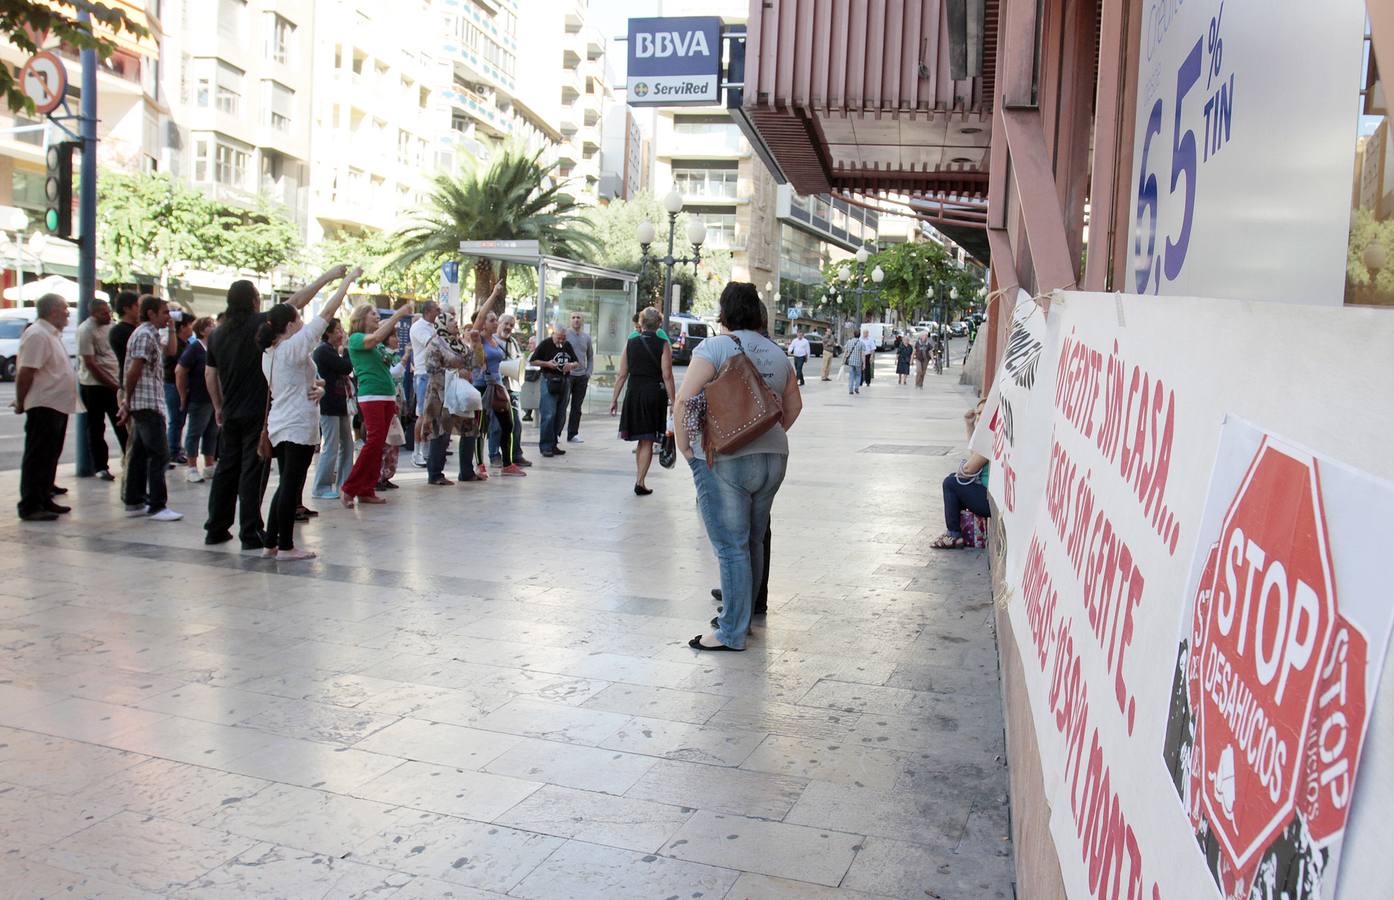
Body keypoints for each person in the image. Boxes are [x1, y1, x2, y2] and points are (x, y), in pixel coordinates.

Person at [674, 282, 803, 651]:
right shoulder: (779, 354)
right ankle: (743, 620)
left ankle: (731, 631)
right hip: (774, 456)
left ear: (724, 311)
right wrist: (765, 434)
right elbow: (793, 408)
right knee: (753, 540)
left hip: (726, 457)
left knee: (731, 546)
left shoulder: (714, 347)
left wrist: (685, 447)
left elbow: (684, 400)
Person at [206, 268, 347, 548]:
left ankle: (216, 527)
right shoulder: (263, 326)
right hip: (262, 410)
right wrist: (328, 277)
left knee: (226, 469)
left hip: (232, 410)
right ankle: (250, 531)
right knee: (253, 471)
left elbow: (210, 374)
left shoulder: (217, 334)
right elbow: (295, 303)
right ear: (255, 301)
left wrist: (218, 406)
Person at [258, 267, 359, 559]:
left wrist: (320, 386)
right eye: (298, 318)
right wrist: (347, 282)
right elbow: (327, 313)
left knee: (286, 483)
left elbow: (298, 382)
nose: (302, 320)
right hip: (297, 424)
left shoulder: (271, 352)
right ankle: (286, 545)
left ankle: (271, 544)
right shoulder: (293, 346)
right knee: (291, 484)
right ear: (289, 326)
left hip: (280, 422)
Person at [340, 297, 413, 506]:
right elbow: (377, 336)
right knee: (374, 442)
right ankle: (350, 487)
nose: (377, 317)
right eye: (373, 313)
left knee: (379, 444)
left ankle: (366, 489)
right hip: (371, 396)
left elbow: (380, 335)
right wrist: (398, 314)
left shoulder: (375, 341)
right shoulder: (356, 339)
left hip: (386, 395)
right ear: (361, 318)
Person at [118, 295, 182, 522]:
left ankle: (134, 500)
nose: (168, 316)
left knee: (140, 453)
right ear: (151, 313)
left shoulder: (151, 334)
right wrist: (127, 399)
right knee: (159, 454)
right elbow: (134, 371)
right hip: (146, 403)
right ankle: (157, 504)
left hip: (147, 401)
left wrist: (172, 328)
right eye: (164, 312)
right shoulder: (144, 335)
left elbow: (171, 352)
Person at [14, 294, 76, 521]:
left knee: (50, 454)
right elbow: (26, 371)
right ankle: (30, 505)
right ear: (53, 311)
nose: (68, 312)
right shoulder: (37, 334)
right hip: (43, 404)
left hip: (56, 404)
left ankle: (43, 498)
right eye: (65, 308)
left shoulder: (51, 334)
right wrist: (21, 401)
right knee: (38, 456)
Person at [612, 306, 675, 495]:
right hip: (654, 394)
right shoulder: (663, 344)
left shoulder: (630, 344)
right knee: (647, 440)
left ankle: (639, 479)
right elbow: (668, 375)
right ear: (659, 324)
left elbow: (622, 374)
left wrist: (614, 399)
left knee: (641, 440)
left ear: (640, 323)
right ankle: (640, 481)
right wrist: (674, 400)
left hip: (634, 394)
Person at [464, 288, 524, 477]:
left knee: (508, 425)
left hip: (497, 386)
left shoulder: (494, 341)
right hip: (482, 386)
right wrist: (494, 294)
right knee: (481, 428)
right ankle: (480, 464)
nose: (495, 322)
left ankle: (507, 463)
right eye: (492, 320)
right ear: (482, 323)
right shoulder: (477, 338)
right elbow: (480, 315)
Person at [421, 314, 479, 485]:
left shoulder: (460, 344)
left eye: (455, 319)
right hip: (440, 394)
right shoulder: (435, 343)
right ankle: (435, 474)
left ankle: (467, 472)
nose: (456, 322)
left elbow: (473, 364)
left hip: (460, 393)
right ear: (442, 324)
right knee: (441, 432)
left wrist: (475, 345)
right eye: (451, 320)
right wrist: (455, 373)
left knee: (469, 430)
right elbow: (431, 369)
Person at [75, 297, 125, 481]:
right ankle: (100, 466)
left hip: (114, 381)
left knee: (121, 422)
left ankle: (127, 459)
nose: (108, 315)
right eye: (103, 313)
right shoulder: (86, 330)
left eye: (108, 311)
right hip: (94, 385)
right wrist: (111, 384)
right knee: (96, 427)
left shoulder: (111, 326)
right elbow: (90, 363)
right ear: (93, 313)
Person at [311, 318, 355, 499]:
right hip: (329, 405)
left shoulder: (331, 351)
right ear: (327, 332)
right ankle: (320, 487)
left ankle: (344, 484)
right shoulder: (323, 351)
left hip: (339, 403)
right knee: (331, 446)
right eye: (337, 330)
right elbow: (345, 367)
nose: (341, 333)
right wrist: (346, 349)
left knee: (348, 444)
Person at [176, 317, 219, 483]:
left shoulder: (214, 348)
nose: (214, 327)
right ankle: (191, 466)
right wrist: (182, 394)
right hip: (199, 397)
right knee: (195, 432)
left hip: (212, 398)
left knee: (211, 432)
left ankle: (209, 464)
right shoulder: (195, 348)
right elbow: (180, 371)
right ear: (202, 330)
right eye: (210, 325)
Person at [488, 313, 530, 468]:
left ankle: (516, 454)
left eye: (511, 325)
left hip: (513, 387)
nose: (508, 327)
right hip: (499, 387)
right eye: (506, 323)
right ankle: (494, 455)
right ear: (499, 323)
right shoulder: (491, 341)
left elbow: (519, 361)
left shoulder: (512, 342)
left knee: (517, 423)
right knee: (496, 425)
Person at [530, 322, 578, 459]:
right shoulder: (546, 344)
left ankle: (553, 443)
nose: (561, 340)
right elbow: (533, 361)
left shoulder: (567, 346)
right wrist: (547, 364)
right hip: (549, 380)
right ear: (553, 334)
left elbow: (577, 361)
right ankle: (545, 445)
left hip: (564, 381)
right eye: (559, 337)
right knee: (549, 413)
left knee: (560, 414)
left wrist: (571, 365)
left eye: (563, 338)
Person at [934, 453, 991, 548]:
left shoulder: (989, 441)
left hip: (992, 501)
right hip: (992, 495)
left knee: (950, 483)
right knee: (953, 478)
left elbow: (968, 470)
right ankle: (958, 532)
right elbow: (974, 455)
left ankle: (953, 535)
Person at [409, 300, 440, 468]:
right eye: (437, 310)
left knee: (433, 414)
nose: (439, 312)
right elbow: (433, 345)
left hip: (435, 374)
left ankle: (427, 450)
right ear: (428, 311)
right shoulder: (420, 327)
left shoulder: (433, 327)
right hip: (423, 374)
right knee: (423, 413)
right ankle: (417, 452)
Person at [377, 333, 409, 492]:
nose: (397, 339)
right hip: (387, 398)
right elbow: (393, 373)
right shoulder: (383, 355)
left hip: (396, 396)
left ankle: (387, 474)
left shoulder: (394, 355)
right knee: (385, 440)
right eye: (393, 336)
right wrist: (406, 357)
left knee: (393, 439)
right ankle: (378, 476)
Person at [559, 310, 594, 445]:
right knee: (562, 405)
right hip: (568, 376)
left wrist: (588, 372)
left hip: (581, 377)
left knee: (577, 407)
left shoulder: (586, 337)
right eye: (573, 317)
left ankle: (573, 434)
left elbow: (590, 356)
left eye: (578, 317)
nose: (576, 320)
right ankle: (557, 433)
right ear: (570, 320)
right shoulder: (565, 335)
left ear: (582, 320)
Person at [164, 312, 194, 463]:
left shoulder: (187, 344)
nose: (192, 328)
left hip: (180, 385)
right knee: (176, 419)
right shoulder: (175, 344)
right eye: (189, 325)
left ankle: (175, 448)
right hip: (173, 385)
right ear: (182, 327)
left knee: (179, 420)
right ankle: (173, 450)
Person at [108, 290, 140, 381]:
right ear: (126, 309)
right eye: (137, 306)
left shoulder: (136, 329)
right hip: (130, 381)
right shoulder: (119, 331)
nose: (140, 310)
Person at [844, 330, 865, 395]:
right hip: (858, 362)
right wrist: (864, 363)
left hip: (850, 362)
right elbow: (863, 354)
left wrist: (843, 360)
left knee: (851, 376)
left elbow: (845, 352)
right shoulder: (861, 343)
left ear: (854, 334)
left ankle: (850, 390)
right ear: (860, 335)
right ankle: (856, 388)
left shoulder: (849, 342)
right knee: (858, 375)